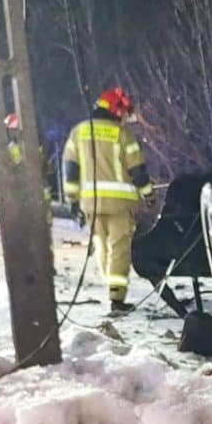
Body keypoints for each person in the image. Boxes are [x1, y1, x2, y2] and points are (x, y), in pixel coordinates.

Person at [62, 87, 153, 313]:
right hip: (120, 204)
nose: (125, 117)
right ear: (116, 109)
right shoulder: (123, 135)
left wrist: (72, 200)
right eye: (124, 112)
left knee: (101, 246)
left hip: (90, 204)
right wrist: (148, 194)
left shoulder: (78, 132)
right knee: (120, 248)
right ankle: (116, 298)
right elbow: (137, 169)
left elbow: (70, 169)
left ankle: (109, 286)